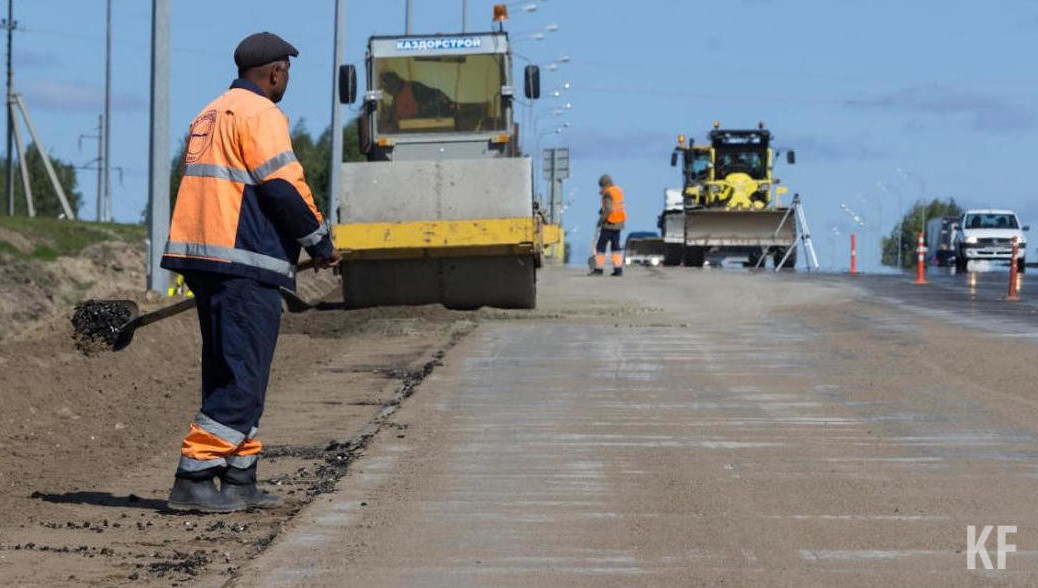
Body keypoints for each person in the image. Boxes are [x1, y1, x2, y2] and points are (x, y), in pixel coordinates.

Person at [160, 32, 341, 513]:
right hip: (245, 262)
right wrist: (319, 240)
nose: (286, 81)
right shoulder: (261, 114)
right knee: (243, 376)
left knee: (230, 371)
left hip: (207, 258)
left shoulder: (211, 110)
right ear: (276, 72)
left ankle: (239, 477)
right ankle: (195, 475)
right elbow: (282, 186)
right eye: (286, 73)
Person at [380, 70, 454, 124]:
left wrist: (419, 116)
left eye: (387, 84)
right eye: (384, 87)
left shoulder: (413, 88)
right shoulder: (396, 99)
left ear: (395, 81)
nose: (386, 89)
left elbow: (439, 98)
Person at [591, 174, 627, 277]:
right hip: (619, 223)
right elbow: (615, 206)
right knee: (616, 248)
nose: (601, 188)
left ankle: (598, 269)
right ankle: (618, 269)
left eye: (601, 186)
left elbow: (609, 209)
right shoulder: (618, 190)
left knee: (600, 247)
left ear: (605, 185)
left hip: (609, 224)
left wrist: (600, 221)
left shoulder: (608, 193)